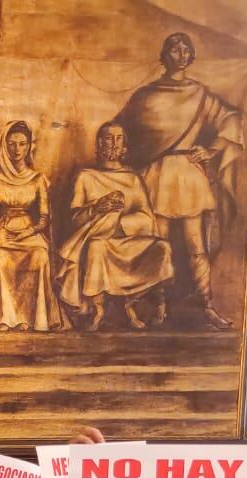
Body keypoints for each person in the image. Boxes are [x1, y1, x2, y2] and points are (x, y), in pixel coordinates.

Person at [113, 32, 244, 328]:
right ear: (165, 54)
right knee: (159, 244)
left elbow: (231, 119)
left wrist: (210, 150)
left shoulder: (200, 93)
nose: (181, 53)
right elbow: (121, 129)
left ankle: (207, 305)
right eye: (175, 48)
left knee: (197, 245)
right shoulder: (146, 96)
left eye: (186, 49)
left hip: (187, 175)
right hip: (157, 173)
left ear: (192, 55)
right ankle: (158, 307)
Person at [58, 122, 174, 330]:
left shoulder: (132, 179)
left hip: (128, 240)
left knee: (162, 248)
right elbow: (75, 219)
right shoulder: (85, 177)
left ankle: (132, 304)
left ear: (124, 145)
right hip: (99, 240)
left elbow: (147, 218)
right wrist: (97, 208)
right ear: (99, 144)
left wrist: (119, 223)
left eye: (118, 138)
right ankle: (98, 310)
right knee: (96, 247)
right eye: (109, 138)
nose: (114, 143)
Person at [0, 120, 64, 332]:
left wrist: (29, 231)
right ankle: (3, 317)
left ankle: (30, 317)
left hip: (29, 230)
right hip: (4, 229)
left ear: (29, 147)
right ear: (4, 146)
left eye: (22, 144)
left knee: (39, 256)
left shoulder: (37, 179)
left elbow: (44, 218)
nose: (17, 149)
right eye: (12, 144)